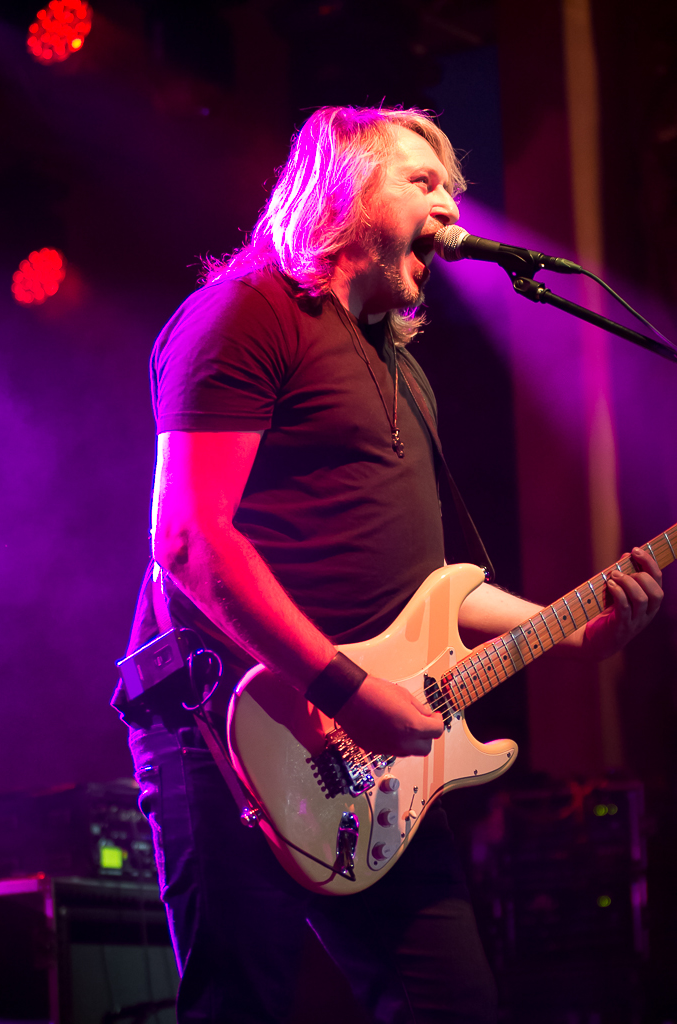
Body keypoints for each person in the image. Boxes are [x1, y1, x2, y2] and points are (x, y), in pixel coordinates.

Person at [115, 106, 663, 1024]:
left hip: (368, 758)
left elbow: (434, 588)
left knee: (454, 1004)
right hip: (226, 729)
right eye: (422, 180)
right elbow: (188, 540)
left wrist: (572, 632)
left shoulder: (404, 371)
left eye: (453, 187)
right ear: (341, 191)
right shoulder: (245, 315)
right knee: (240, 1006)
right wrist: (344, 687)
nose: (450, 205)